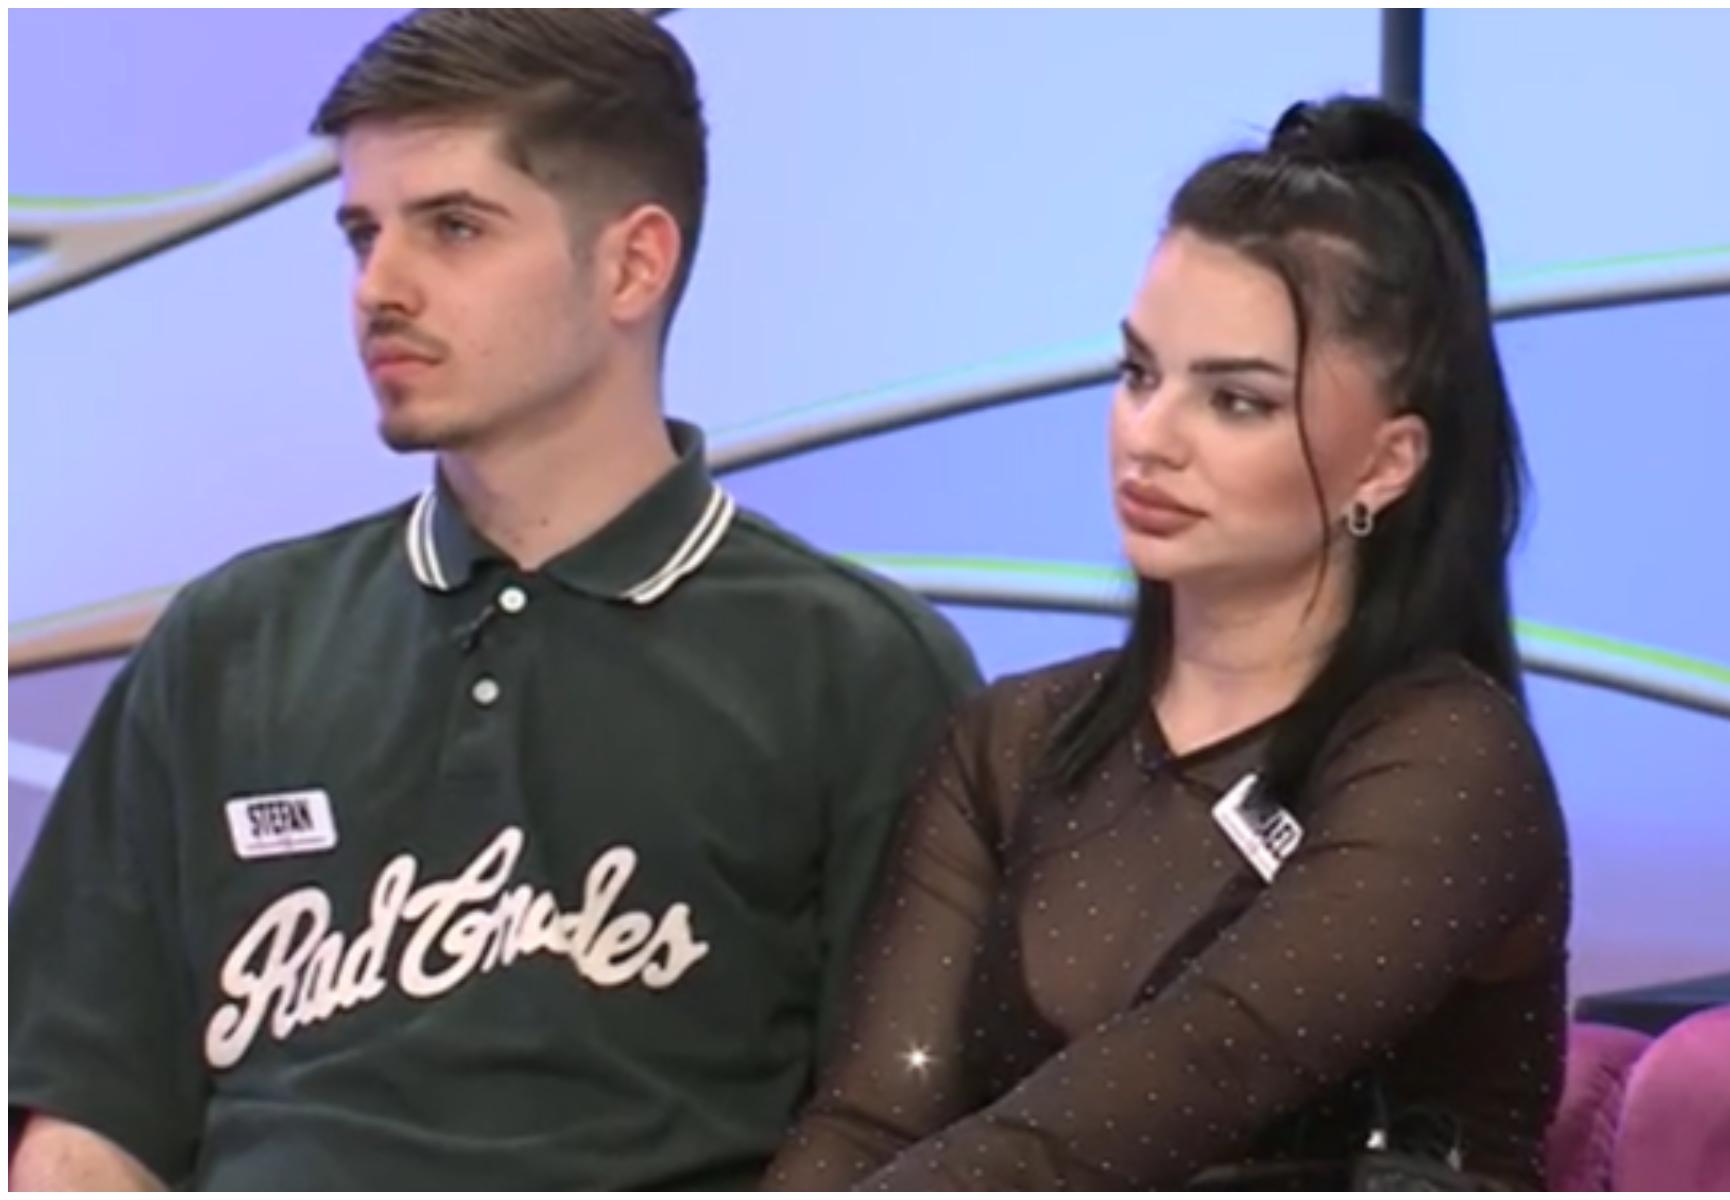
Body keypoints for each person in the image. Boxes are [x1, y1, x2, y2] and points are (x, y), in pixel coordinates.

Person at [9, 10, 979, 1190]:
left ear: (632, 264)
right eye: (362, 234)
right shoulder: (229, 643)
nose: (380, 288)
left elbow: (910, 1138)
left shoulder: (861, 671)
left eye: (453, 228)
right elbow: (80, 1126)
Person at [763, 95, 1571, 1191]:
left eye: (1235, 401)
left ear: (1386, 464)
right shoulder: (1008, 742)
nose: (1150, 437)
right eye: (1140, 374)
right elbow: (874, 1115)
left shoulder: (1450, 759)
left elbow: (1210, 1062)